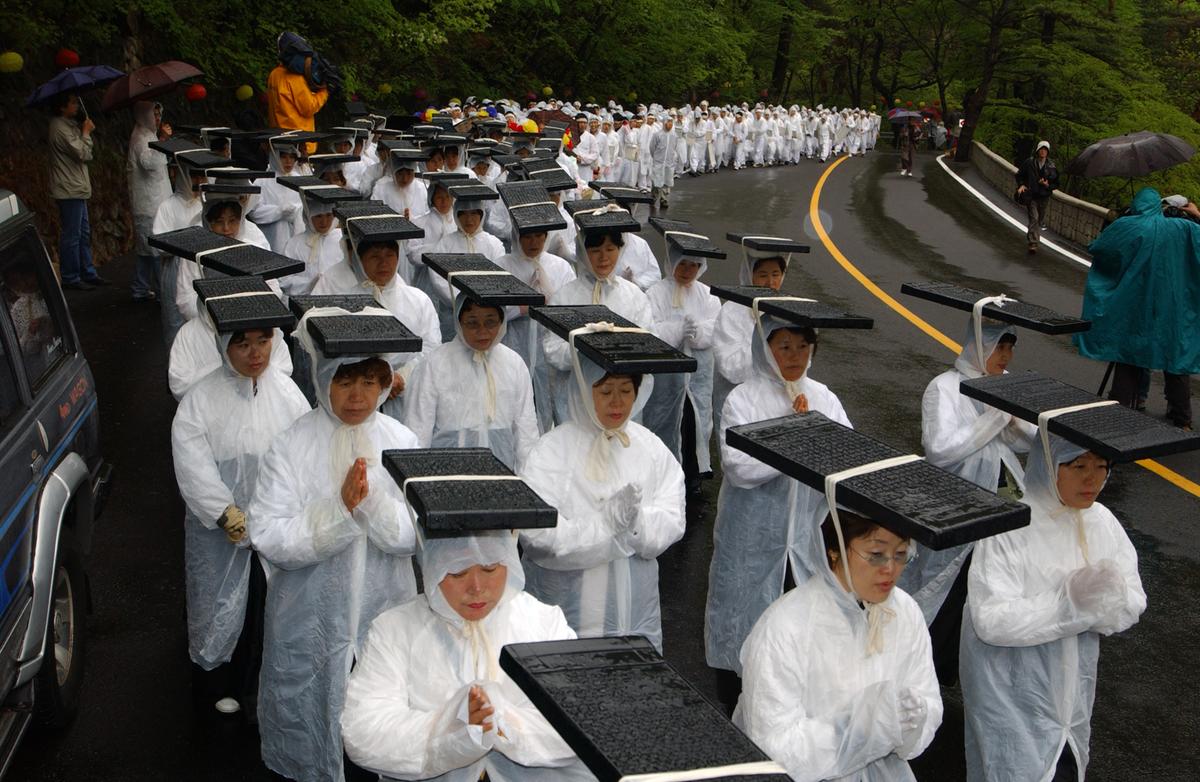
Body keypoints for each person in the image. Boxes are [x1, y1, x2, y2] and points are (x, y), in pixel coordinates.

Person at [249, 308, 423, 782]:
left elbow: (416, 537)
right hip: (310, 615)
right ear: (323, 376)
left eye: (370, 381)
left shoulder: (402, 441)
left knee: (380, 724)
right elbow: (269, 535)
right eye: (345, 381)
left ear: (385, 384)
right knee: (310, 719)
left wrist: (370, 509)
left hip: (383, 611)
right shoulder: (291, 444)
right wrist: (339, 514)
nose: (358, 395)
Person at [960, 433, 1146, 781]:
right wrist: (1069, 604)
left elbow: (1133, 601)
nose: (1093, 478)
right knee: (1011, 769)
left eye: (1102, 466)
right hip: (1012, 691)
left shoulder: (1100, 521)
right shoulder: (1011, 525)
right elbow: (990, 619)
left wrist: (1104, 603)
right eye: (1079, 466)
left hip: (1072, 696)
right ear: (1048, 466)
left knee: (1067, 766)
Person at [341, 528, 594, 781]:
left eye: (490, 568)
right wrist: (452, 728)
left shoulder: (543, 623)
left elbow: (585, 721)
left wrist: (502, 720)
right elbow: (363, 731)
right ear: (431, 569)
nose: (476, 587)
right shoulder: (395, 629)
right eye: (458, 572)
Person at [705, 313, 850, 708]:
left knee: (797, 634)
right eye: (783, 346)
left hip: (805, 537)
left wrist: (812, 437)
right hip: (752, 537)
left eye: (803, 346)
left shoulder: (823, 398)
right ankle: (734, 705)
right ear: (764, 348)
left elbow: (846, 459)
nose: (795, 355)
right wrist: (797, 438)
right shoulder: (744, 399)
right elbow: (740, 468)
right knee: (744, 624)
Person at [735, 510, 942, 781]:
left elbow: (928, 701)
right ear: (834, 551)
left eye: (901, 554)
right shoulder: (787, 626)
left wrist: (914, 722)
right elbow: (773, 749)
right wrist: (861, 727)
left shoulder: (904, 612)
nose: (890, 569)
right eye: (876, 554)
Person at [171, 316, 309, 716]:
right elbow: (192, 461)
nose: (255, 353)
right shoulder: (202, 399)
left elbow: (301, 453)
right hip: (221, 533)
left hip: (272, 525)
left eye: (263, 342)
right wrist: (222, 511)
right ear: (224, 347)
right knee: (220, 602)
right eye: (243, 344)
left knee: (266, 603)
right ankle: (217, 683)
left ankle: (257, 686)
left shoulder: (286, 393)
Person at [520, 345, 685, 652]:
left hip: (635, 609)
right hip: (566, 608)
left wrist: (637, 523)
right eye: (605, 390)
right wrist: (604, 525)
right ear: (583, 389)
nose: (617, 401)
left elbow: (673, 517)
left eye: (626, 389)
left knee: (634, 679)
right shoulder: (552, 451)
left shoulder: (649, 447)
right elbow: (537, 536)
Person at [899, 318, 1035, 684]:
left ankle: (965, 667)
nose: (1004, 357)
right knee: (944, 583)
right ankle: (922, 664)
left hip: (1002, 495)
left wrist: (1013, 422)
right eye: (998, 348)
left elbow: (1027, 442)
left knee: (990, 584)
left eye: (1009, 349)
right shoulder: (943, 388)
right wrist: (993, 419)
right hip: (954, 501)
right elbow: (941, 450)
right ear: (978, 344)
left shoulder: (1004, 384)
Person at [1075, 186, 1200, 430]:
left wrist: (1126, 219)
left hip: (1135, 308)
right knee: (1175, 356)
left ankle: (1122, 409)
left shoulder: (1129, 226)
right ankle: (1182, 418)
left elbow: (1099, 248)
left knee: (1130, 354)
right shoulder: (1183, 229)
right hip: (1172, 309)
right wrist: (1196, 215)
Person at [313, 219, 441, 420]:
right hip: (356, 399)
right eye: (374, 256)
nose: (384, 263)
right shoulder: (345, 303)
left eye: (390, 255)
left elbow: (431, 347)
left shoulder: (418, 301)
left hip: (404, 397)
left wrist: (402, 376)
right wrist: (375, 380)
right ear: (359, 259)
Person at [543, 212, 655, 425]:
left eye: (610, 249)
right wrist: (586, 348)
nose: (604, 258)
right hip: (574, 403)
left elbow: (649, 346)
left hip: (621, 403)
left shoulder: (634, 297)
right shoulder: (565, 296)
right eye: (595, 250)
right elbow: (552, 349)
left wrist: (621, 347)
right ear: (583, 253)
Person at [405, 293, 539, 470]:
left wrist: (527, 479)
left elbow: (525, 430)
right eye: (472, 322)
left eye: (491, 322)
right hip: (446, 477)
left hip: (501, 475)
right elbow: (418, 429)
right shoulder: (435, 364)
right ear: (459, 322)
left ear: (502, 321)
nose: (482, 331)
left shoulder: (514, 364)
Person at [642, 240, 721, 495]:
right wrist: (677, 330)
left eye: (694, 265)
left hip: (697, 376)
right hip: (666, 377)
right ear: (672, 263)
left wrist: (696, 332)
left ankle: (694, 474)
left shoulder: (707, 295)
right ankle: (665, 474)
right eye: (683, 264)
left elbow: (715, 327)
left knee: (695, 424)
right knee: (666, 421)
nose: (688, 270)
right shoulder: (656, 292)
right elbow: (648, 329)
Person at [494, 204, 576, 434]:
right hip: (513, 344)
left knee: (551, 401)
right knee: (516, 401)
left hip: (549, 348)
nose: (534, 242)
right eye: (528, 236)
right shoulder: (503, 266)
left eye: (540, 236)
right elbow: (490, 311)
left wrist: (551, 304)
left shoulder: (559, 267)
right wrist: (519, 308)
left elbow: (573, 308)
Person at [712, 242, 791, 436]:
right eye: (763, 275)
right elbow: (730, 367)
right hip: (738, 403)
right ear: (750, 275)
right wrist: (767, 350)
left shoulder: (788, 310)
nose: (770, 282)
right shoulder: (732, 310)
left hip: (777, 401)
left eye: (776, 274)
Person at [48, 92, 106, 291]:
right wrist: (87, 133)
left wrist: (84, 132)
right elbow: (83, 153)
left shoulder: (70, 125)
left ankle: (87, 272)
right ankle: (71, 276)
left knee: (83, 233)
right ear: (62, 107)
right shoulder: (58, 128)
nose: (76, 106)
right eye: (72, 103)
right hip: (68, 188)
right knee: (72, 235)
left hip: (77, 186)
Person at [151, 152, 207, 347]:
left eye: (202, 176)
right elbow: (159, 245)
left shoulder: (207, 204)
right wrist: (185, 241)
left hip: (199, 270)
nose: (199, 181)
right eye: (194, 176)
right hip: (174, 270)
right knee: (175, 326)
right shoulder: (168, 206)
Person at [126, 101, 171, 302]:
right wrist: (162, 140)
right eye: (154, 115)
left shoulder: (148, 134)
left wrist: (160, 139)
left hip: (153, 201)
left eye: (159, 114)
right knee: (155, 251)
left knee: (146, 250)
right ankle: (163, 293)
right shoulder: (141, 138)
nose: (158, 119)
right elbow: (150, 164)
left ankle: (140, 288)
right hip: (149, 204)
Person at [267, 32, 329, 138]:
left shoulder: (274, 74)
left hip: (277, 138)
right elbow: (309, 107)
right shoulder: (295, 78)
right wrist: (325, 91)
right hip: (298, 142)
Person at [1015, 140, 1059, 254]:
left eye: (1045, 150)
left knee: (1039, 219)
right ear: (1038, 150)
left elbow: (1057, 183)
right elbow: (1019, 175)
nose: (1043, 151)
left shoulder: (1051, 166)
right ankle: (1033, 242)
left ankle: (1033, 236)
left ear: (1048, 152)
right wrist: (1021, 185)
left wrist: (1047, 185)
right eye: (1041, 149)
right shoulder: (1029, 162)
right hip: (1032, 195)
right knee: (1034, 217)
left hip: (1044, 197)